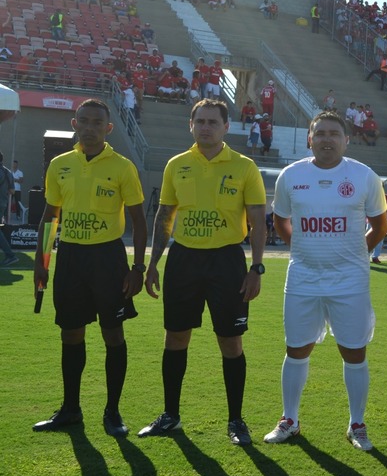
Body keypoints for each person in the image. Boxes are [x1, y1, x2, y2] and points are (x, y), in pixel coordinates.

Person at [138, 99, 267, 446]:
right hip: (184, 260)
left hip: (226, 262)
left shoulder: (244, 167)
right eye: (200, 121)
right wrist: (153, 263)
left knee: (230, 340)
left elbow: (256, 221)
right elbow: (165, 216)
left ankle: (236, 421)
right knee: (176, 337)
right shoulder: (176, 165)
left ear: (226, 127)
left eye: (213, 122)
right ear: (190, 125)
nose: (206, 127)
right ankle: (170, 415)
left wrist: (256, 267)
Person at [264, 111, 387, 451]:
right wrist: (303, 249)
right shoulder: (291, 176)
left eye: (334, 133)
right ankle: (290, 419)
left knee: (354, 351)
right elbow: (280, 220)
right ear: (309, 139)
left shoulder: (363, 176)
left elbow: (380, 226)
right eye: (320, 133)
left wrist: (355, 252)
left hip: (350, 280)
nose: (327, 139)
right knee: (296, 348)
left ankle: (357, 424)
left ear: (346, 140)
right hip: (303, 277)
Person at [31, 100, 147, 435]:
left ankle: (113, 412)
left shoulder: (123, 167)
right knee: (71, 333)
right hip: (69, 258)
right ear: (74, 124)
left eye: (97, 122)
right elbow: (51, 216)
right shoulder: (59, 164)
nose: (90, 127)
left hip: (108, 260)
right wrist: (42, 260)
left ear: (108, 128)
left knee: (113, 333)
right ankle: (70, 410)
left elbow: (139, 222)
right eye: (84, 121)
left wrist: (137, 267)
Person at [0, 151, 19, 266]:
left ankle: (10, 255)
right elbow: (12, 191)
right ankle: (10, 255)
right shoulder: (8, 172)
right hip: (3, 203)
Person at [370, 183, 387, 263]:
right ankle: (365, 255)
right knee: (367, 238)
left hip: (382, 221)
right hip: (370, 220)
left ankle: (375, 256)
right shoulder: (370, 195)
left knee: (380, 240)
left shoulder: (386, 197)